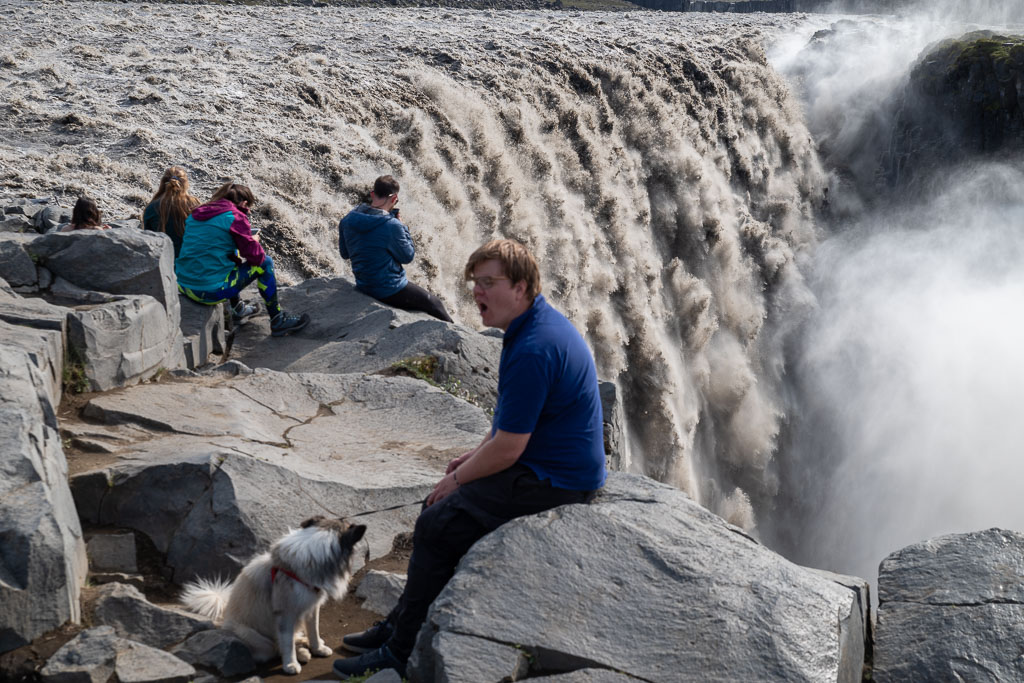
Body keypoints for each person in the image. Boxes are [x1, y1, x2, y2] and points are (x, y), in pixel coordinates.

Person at [333, 239, 607, 679]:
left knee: (437, 524)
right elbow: (509, 422)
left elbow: (510, 447)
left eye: (488, 282)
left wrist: (459, 480)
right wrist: (471, 457)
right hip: (547, 462)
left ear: (520, 287)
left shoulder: (534, 348)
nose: (477, 291)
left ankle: (399, 652)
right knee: (437, 509)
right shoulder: (536, 324)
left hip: (555, 480)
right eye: (475, 282)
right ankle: (398, 624)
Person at [174, 182, 309, 336]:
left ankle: (238, 309)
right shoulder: (235, 217)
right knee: (266, 263)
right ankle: (278, 319)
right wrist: (253, 240)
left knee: (227, 255)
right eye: (248, 207)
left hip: (184, 286)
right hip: (209, 292)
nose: (248, 211)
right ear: (243, 203)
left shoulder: (196, 214)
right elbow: (256, 257)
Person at [338, 175, 453, 323]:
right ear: (394, 199)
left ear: (372, 194)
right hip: (389, 289)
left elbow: (345, 254)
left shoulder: (347, 220)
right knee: (435, 304)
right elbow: (407, 256)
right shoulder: (392, 225)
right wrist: (403, 227)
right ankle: (453, 333)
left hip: (363, 284)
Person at [142, 166, 200, 258]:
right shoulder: (195, 204)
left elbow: (147, 239)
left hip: (162, 262)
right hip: (191, 261)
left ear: (162, 183)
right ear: (185, 184)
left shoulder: (152, 208)